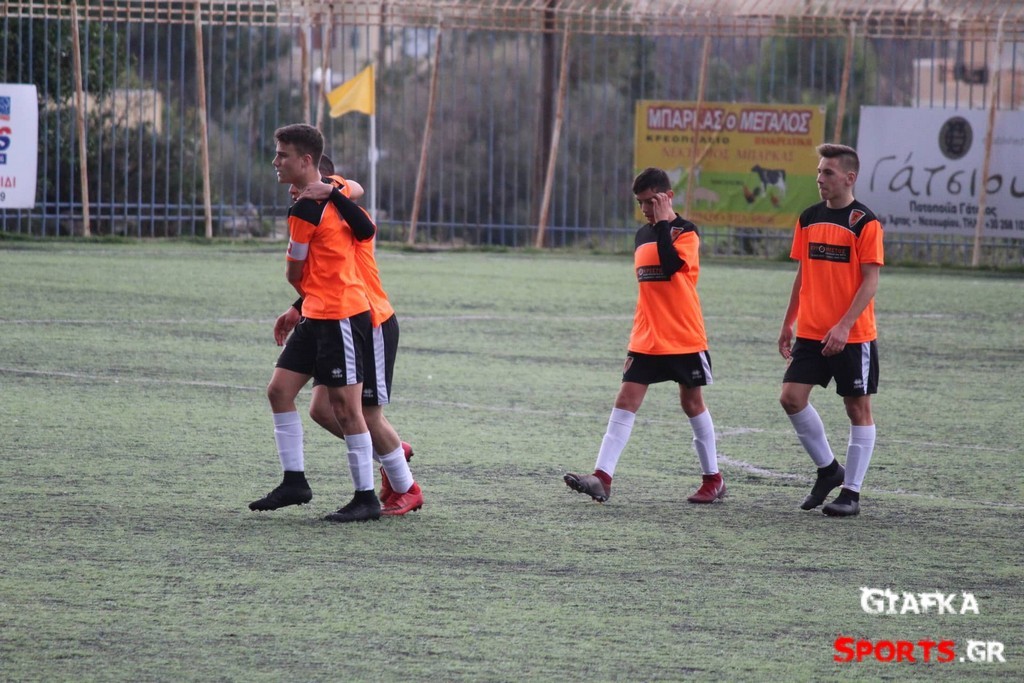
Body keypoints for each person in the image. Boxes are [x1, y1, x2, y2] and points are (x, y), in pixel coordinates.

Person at [563, 166, 725, 505]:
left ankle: (714, 480)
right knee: (625, 400)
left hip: (683, 336)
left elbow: (670, 266)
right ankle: (602, 477)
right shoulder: (642, 235)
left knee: (691, 403)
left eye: (651, 201)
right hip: (646, 338)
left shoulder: (686, 232)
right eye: (640, 203)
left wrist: (664, 223)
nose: (646, 210)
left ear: (668, 197)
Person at [272, 160, 423, 516]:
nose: (293, 192)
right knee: (321, 409)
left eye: (299, 187)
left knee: (366, 414)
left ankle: (406, 487)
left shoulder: (341, 213)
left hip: (369, 320)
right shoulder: (325, 205)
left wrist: (333, 191)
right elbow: (326, 274)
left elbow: (341, 275)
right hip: (332, 316)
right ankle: (391, 451)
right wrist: (298, 306)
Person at [248, 123, 381, 523]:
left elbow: (294, 272)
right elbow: (354, 186)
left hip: (341, 314)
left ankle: (366, 497)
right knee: (279, 390)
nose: (275, 161)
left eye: (282, 155)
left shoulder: (307, 208)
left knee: (345, 408)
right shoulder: (330, 187)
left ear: (306, 161)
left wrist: (300, 291)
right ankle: (295, 481)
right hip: (315, 313)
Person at [778, 143, 884, 518]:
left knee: (857, 408)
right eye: (819, 171)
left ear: (849, 178)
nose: (820, 178)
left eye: (828, 172)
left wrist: (844, 325)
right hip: (811, 332)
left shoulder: (865, 222)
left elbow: (870, 282)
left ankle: (851, 493)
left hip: (852, 336)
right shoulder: (808, 218)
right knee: (791, 398)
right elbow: (802, 274)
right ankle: (828, 470)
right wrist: (788, 321)